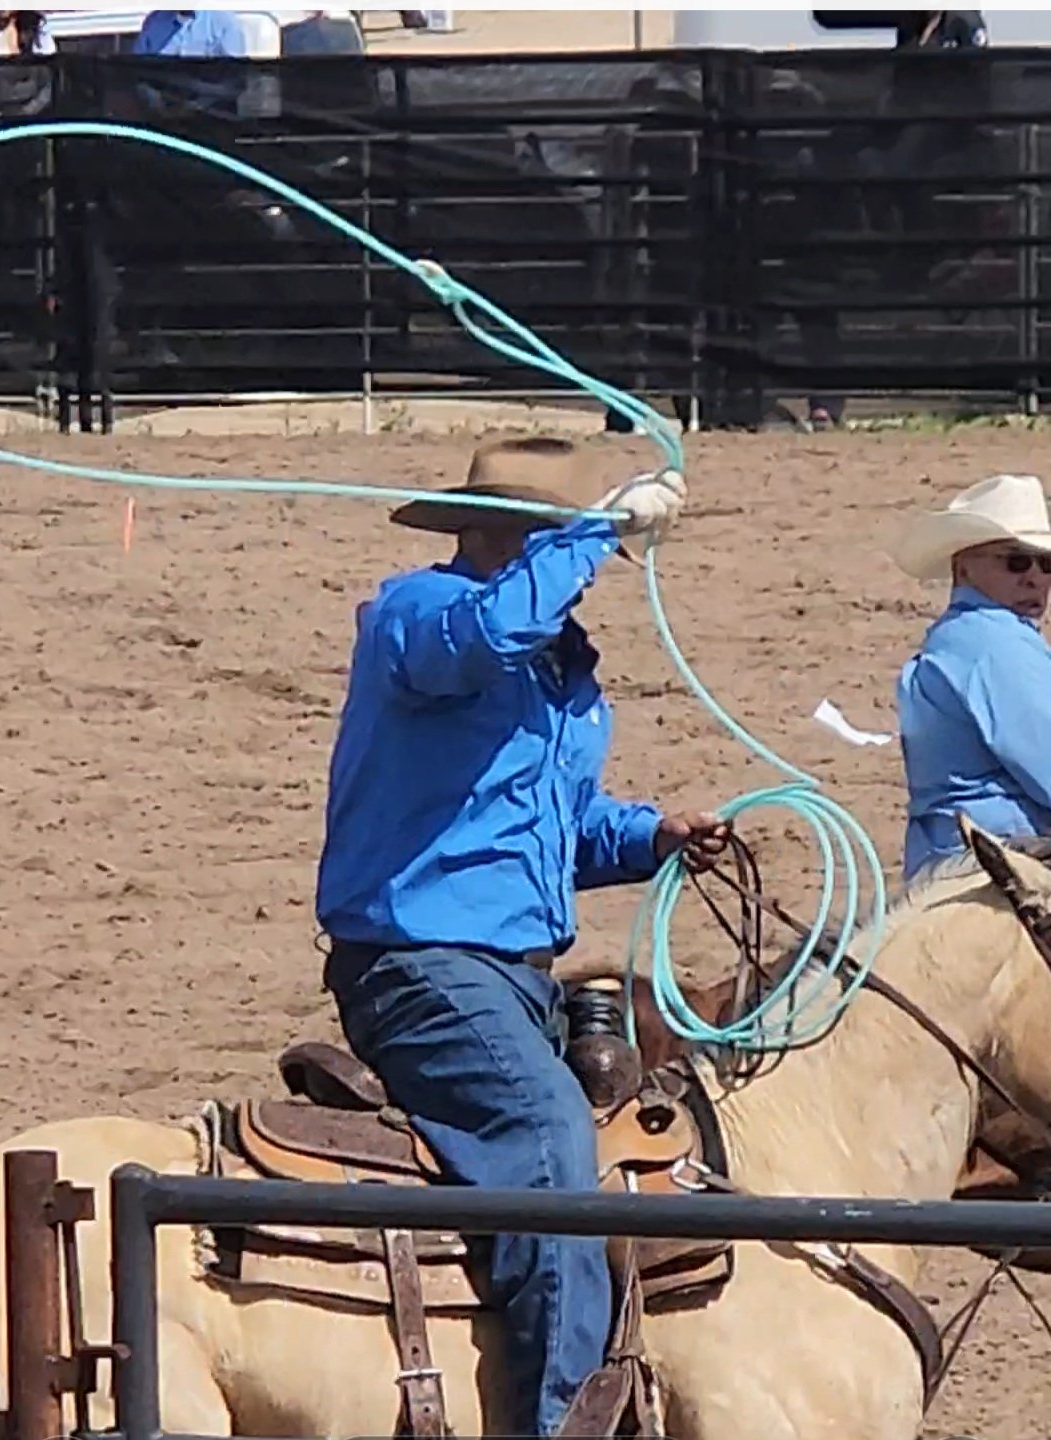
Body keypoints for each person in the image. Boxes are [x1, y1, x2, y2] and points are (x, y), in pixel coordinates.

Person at [316, 436, 729, 1437]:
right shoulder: (418, 616)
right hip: (418, 966)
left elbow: (554, 833)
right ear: (502, 533)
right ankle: (558, 1425)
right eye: (558, 540)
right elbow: (485, 636)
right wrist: (590, 531)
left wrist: (650, 836)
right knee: (547, 1136)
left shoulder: (554, 674)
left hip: (507, 973)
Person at [891, 473, 1051, 879]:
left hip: (944, 857)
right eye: (1016, 561)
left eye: (1046, 563)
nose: (1035, 577)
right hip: (998, 865)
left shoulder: (953, 639)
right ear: (962, 568)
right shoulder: (995, 643)